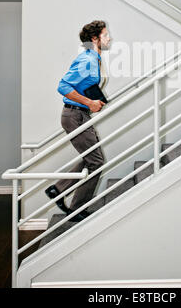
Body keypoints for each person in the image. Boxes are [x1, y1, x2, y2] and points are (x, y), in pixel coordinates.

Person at [45, 20, 111, 222]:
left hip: (80, 114)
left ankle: (58, 189)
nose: (109, 38)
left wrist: (93, 100)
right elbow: (63, 86)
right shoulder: (88, 59)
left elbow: (84, 85)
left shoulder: (94, 58)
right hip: (74, 115)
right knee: (96, 161)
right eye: (106, 34)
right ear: (95, 39)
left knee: (93, 156)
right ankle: (76, 209)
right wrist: (89, 102)